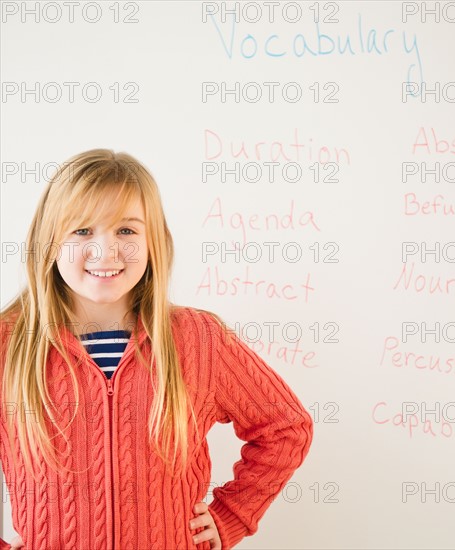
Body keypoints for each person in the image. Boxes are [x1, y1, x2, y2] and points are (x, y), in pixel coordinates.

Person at [0, 149, 314, 549]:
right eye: (81, 231)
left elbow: (286, 428)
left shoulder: (199, 339)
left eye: (127, 231)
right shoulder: (9, 347)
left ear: (154, 242)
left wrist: (232, 513)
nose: (105, 250)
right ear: (49, 242)